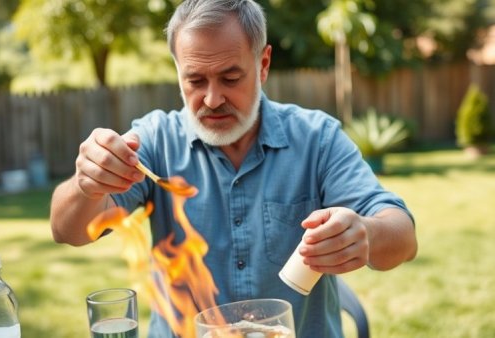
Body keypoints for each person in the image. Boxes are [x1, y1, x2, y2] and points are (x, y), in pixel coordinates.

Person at [50, 0, 418, 337]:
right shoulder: (153, 142)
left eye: (230, 78)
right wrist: (86, 185)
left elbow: (402, 236)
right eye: (195, 80)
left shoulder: (316, 139)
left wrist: (366, 234)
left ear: (263, 65)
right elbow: (66, 230)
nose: (212, 99)